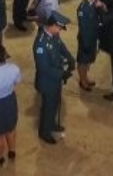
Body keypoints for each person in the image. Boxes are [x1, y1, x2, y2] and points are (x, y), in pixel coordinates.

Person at [33, 11, 74, 144]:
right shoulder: (41, 44)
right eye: (59, 27)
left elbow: (60, 46)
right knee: (48, 107)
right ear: (52, 25)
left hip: (55, 79)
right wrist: (62, 74)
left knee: (55, 103)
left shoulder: (54, 35)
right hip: (47, 81)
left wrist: (69, 57)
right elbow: (43, 68)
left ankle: (51, 123)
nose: (60, 30)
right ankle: (44, 132)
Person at [76, 0, 104, 91]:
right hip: (85, 40)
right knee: (83, 61)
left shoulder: (94, 4)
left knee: (88, 61)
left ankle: (86, 78)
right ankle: (82, 81)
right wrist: (87, 43)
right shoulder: (83, 9)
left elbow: (99, 18)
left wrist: (100, 7)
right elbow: (83, 29)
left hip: (93, 37)